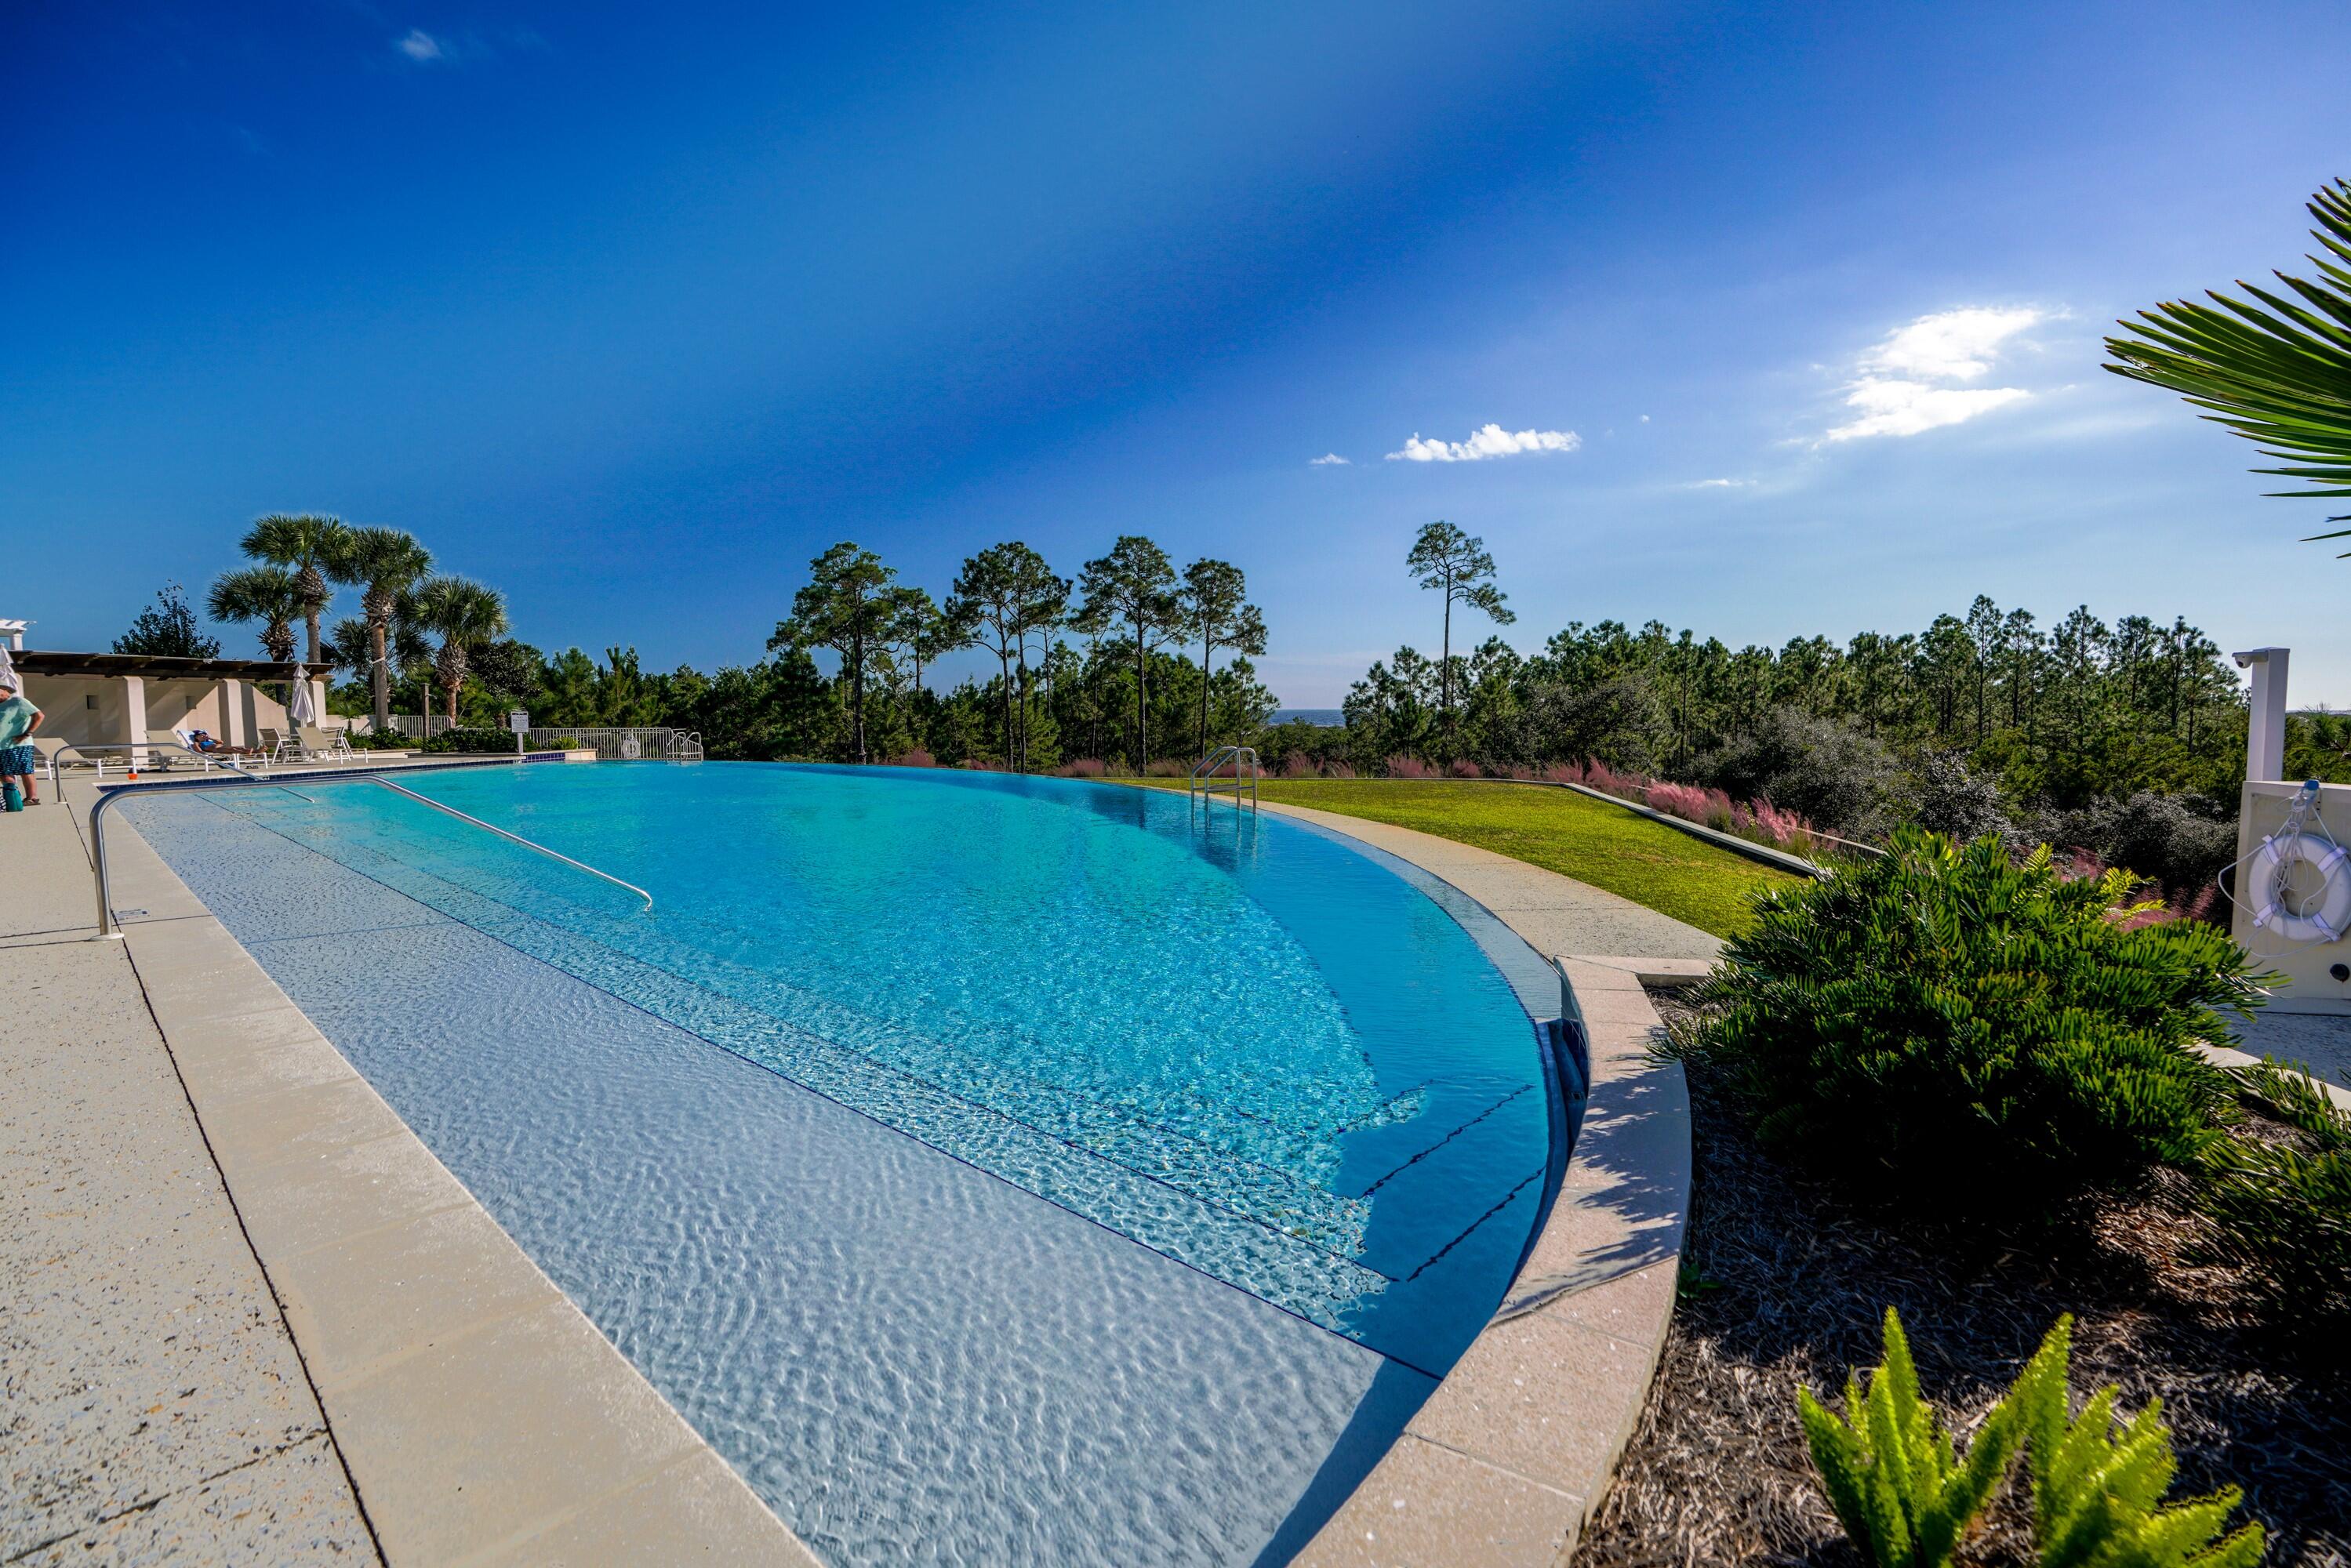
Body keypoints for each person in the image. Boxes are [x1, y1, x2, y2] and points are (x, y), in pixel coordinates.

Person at [0, 677, 42, 810]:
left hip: (20, 744)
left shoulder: (17, 701)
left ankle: (32, 798)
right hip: (2, 745)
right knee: (4, 773)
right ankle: (13, 800)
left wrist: (27, 734)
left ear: (5, 691)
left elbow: (39, 716)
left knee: (25, 771)